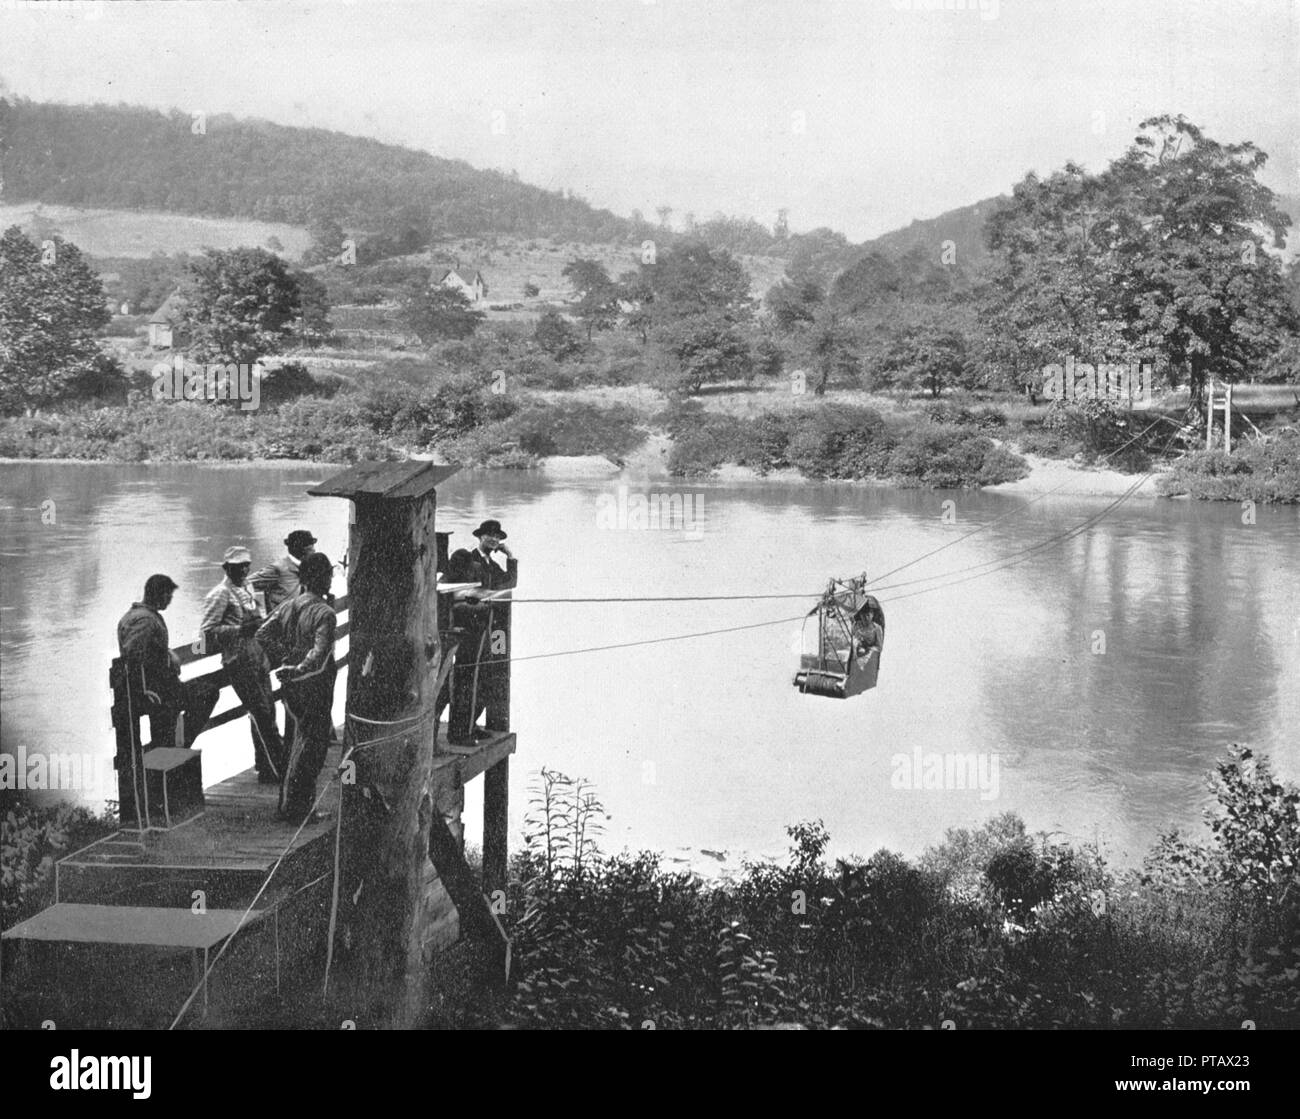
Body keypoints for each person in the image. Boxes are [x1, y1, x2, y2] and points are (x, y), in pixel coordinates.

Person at [257, 552, 337, 825]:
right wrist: (299, 667)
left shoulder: (290, 605)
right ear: (323, 578)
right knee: (313, 748)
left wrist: (285, 657)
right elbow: (320, 653)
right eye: (328, 574)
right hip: (316, 684)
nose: (331, 578)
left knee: (294, 743)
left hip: (291, 688)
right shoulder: (325, 612)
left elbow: (262, 633)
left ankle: (287, 804)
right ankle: (301, 810)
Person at [200, 545, 286, 783]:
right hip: (238, 661)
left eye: (246, 565)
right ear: (227, 568)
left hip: (258, 657)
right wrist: (238, 629)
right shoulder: (219, 594)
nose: (244, 570)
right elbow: (207, 633)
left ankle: (266, 765)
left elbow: (257, 616)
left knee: (269, 709)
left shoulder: (248, 587)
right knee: (261, 713)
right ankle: (275, 769)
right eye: (238, 567)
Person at [117, 574, 218, 750]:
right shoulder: (146, 620)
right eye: (168, 596)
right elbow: (133, 656)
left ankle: (176, 747)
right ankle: (180, 745)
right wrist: (144, 691)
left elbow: (147, 647)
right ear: (159, 594)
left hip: (160, 689)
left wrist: (167, 652)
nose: (170, 601)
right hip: (157, 692)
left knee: (164, 737)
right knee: (207, 692)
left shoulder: (137, 615)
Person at [445, 519, 516, 745]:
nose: (493, 539)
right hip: (469, 627)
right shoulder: (466, 558)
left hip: (488, 629)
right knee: (468, 678)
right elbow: (451, 587)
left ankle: (470, 724)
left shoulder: (491, 565)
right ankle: (460, 730)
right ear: (480, 537)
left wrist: (510, 556)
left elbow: (509, 583)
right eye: (489, 535)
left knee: (487, 678)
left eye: (497, 537)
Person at [252, 530, 317, 614]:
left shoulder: (309, 568)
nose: (314, 550)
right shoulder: (278, 569)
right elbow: (243, 583)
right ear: (301, 548)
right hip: (280, 623)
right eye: (310, 545)